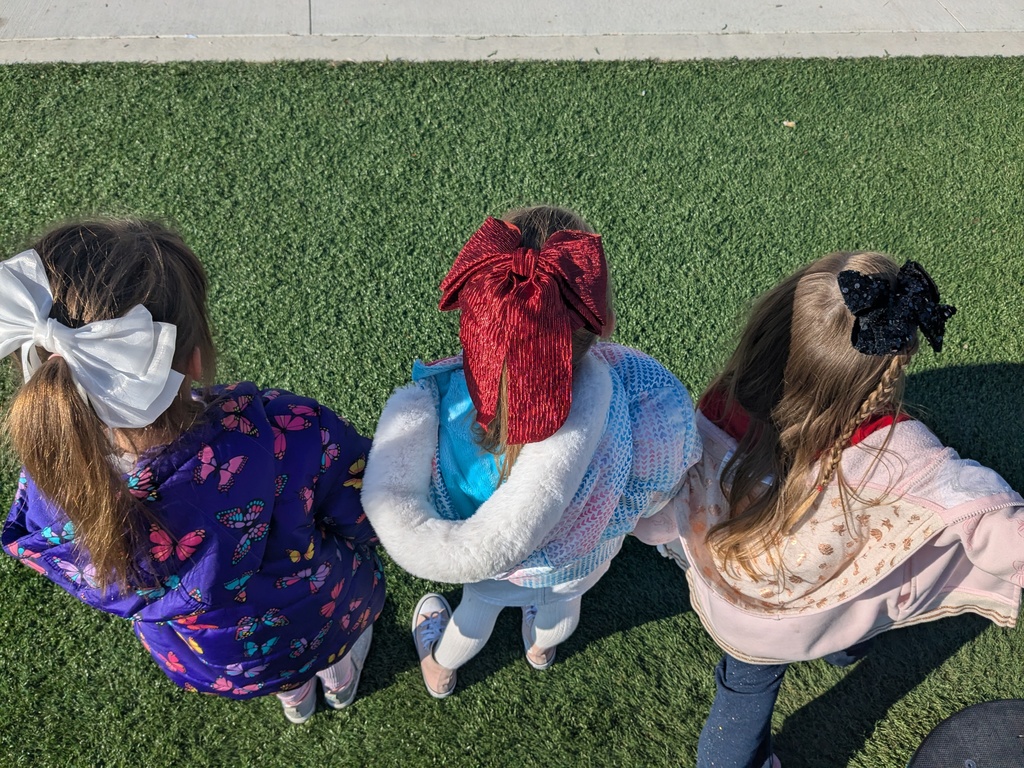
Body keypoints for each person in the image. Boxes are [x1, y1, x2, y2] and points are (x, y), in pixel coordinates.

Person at [634, 252, 1024, 768]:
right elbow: (988, 519)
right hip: (831, 607)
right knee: (856, 618)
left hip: (739, 608)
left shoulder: (715, 405)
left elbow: (666, 496)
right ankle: (842, 649)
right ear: (889, 367)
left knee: (740, 699)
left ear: (764, 333)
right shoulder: (902, 455)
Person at [0, 219, 385, 724]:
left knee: (282, 675)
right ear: (195, 361)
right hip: (319, 611)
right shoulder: (284, 430)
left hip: (215, 658)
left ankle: (294, 698)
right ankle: (338, 679)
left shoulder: (48, 486)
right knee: (327, 648)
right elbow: (364, 504)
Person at [361, 205, 702, 697]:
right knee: (562, 610)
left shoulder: (440, 415)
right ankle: (542, 649)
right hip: (579, 567)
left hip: (496, 574)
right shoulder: (641, 402)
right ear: (600, 324)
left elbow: (428, 499)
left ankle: (439, 668)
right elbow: (655, 496)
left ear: (478, 325)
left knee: (474, 617)